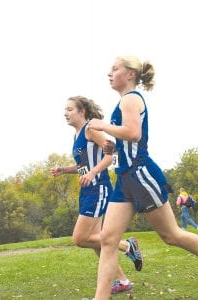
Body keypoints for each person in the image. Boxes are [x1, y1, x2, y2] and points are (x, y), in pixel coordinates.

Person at [88, 55, 198, 299]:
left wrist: (102, 125)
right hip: (124, 178)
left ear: (129, 74)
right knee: (107, 239)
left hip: (140, 174)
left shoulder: (131, 99)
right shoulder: (123, 103)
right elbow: (126, 142)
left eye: (114, 69)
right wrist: (111, 148)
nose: (109, 73)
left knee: (172, 236)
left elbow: (134, 134)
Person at [51, 96, 143, 295]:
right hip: (87, 191)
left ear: (81, 111)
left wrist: (93, 173)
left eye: (69, 109)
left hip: (98, 188)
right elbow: (84, 165)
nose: (65, 113)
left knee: (80, 239)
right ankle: (122, 280)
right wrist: (64, 170)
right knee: (96, 241)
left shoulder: (91, 130)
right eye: (64, 110)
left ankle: (128, 245)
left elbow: (111, 153)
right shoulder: (77, 135)